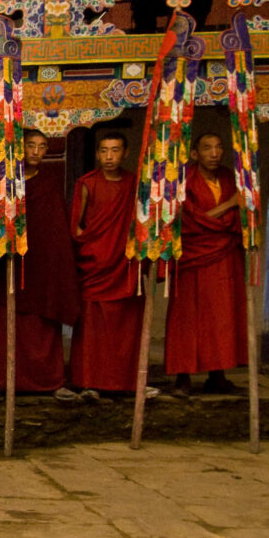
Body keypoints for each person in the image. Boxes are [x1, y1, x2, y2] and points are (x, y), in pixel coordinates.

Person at [0, 130, 81, 400]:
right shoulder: (4, 182)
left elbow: (56, 227)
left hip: (42, 264)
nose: (36, 151)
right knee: (5, 323)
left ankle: (50, 381)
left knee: (42, 324)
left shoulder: (49, 183)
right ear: (20, 148)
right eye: (31, 146)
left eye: (42, 146)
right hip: (11, 262)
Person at [70, 128, 156, 399]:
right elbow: (77, 227)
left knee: (126, 326)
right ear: (97, 154)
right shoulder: (87, 183)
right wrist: (95, 249)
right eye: (104, 151)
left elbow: (145, 220)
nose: (109, 157)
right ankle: (89, 382)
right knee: (93, 328)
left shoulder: (136, 184)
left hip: (125, 264)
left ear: (125, 153)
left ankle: (128, 382)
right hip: (96, 266)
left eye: (115, 150)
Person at [164, 131, 247, 396]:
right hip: (193, 258)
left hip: (224, 258)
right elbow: (188, 222)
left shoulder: (228, 179)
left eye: (219, 147)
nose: (215, 153)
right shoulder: (182, 181)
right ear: (195, 154)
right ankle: (183, 377)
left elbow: (243, 216)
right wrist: (229, 206)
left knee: (221, 317)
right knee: (187, 318)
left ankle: (217, 374)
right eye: (207, 148)